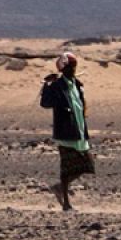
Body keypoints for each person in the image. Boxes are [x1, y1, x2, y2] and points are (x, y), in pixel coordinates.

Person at [40, 51, 95, 211]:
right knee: (66, 168)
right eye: (70, 66)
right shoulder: (57, 86)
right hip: (65, 133)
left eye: (74, 66)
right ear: (63, 68)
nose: (73, 69)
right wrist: (47, 85)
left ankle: (59, 188)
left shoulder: (78, 84)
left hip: (79, 130)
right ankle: (66, 203)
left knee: (87, 165)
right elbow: (45, 103)